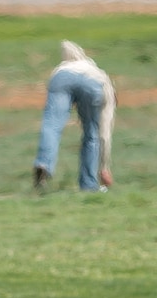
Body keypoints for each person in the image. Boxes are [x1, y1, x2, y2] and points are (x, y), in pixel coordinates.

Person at [33, 41, 115, 192]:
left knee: (52, 125)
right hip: (92, 83)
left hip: (61, 78)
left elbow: (66, 45)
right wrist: (104, 167)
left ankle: (44, 163)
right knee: (92, 135)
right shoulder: (103, 80)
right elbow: (104, 133)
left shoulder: (64, 66)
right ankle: (89, 186)